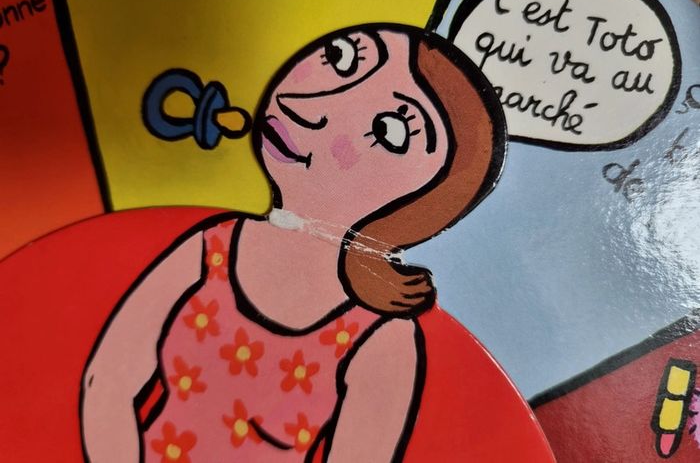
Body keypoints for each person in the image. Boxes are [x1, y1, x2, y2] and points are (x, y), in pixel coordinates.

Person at [80, 23, 505, 462]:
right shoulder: (210, 249)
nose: (311, 109)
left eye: (389, 131)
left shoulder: (382, 336)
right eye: (342, 58)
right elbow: (108, 382)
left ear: (422, 203)